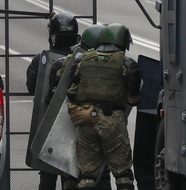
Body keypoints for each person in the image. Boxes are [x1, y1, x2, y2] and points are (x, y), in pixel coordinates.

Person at [67, 23, 141, 190]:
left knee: (86, 175)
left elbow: (72, 91)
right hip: (112, 121)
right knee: (123, 174)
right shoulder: (125, 62)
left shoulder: (84, 59)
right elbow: (133, 98)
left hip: (86, 118)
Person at [45, 24, 113, 190]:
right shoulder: (115, 65)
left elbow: (50, 97)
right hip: (102, 129)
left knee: (71, 170)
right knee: (100, 173)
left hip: (74, 127)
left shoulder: (66, 63)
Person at [24, 12, 80, 190]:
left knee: (47, 174)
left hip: (47, 124)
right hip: (74, 125)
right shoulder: (82, 61)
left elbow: (33, 88)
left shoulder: (40, 61)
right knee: (71, 171)